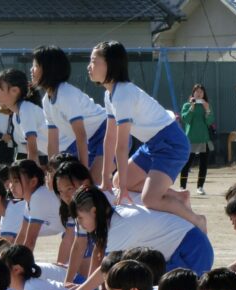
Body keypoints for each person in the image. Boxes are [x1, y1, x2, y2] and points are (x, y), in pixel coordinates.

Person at [88, 41, 206, 231]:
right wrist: (105, 179)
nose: (89, 66)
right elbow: (109, 138)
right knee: (118, 180)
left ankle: (197, 220)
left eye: (94, 61)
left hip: (171, 143)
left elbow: (121, 144)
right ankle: (179, 196)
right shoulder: (110, 94)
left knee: (150, 199)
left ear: (110, 64)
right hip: (153, 143)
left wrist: (125, 189)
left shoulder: (124, 93)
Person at [64, 186, 214, 290]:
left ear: (94, 211)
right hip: (181, 252)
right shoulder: (113, 219)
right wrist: (83, 289)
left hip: (193, 251)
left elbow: (105, 269)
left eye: (80, 217)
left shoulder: (118, 226)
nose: (79, 223)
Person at [31, 46, 107, 182]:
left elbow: (81, 135)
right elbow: (52, 142)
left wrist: (82, 172)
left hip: (106, 133)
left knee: (91, 181)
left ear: (48, 69)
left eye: (36, 65)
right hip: (89, 141)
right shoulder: (47, 101)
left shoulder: (66, 94)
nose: (32, 70)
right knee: (69, 182)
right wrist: (51, 172)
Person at [0, 68, 48, 167]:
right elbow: (29, 150)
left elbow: (33, 152)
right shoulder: (16, 114)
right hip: (49, 157)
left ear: (14, 91)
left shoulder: (26, 109)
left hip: (63, 155)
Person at [179, 84, 214, 196]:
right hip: (190, 139)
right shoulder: (187, 105)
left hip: (204, 138)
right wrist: (192, 107)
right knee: (186, 164)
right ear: (193, 93)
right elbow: (186, 119)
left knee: (203, 165)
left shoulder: (206, 105)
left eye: (201, 92)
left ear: (204, 94)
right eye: (197, 91)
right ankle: (182, 186)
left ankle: (200, 186)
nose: (199, 93)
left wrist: (207, 109)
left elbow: (210, 122)